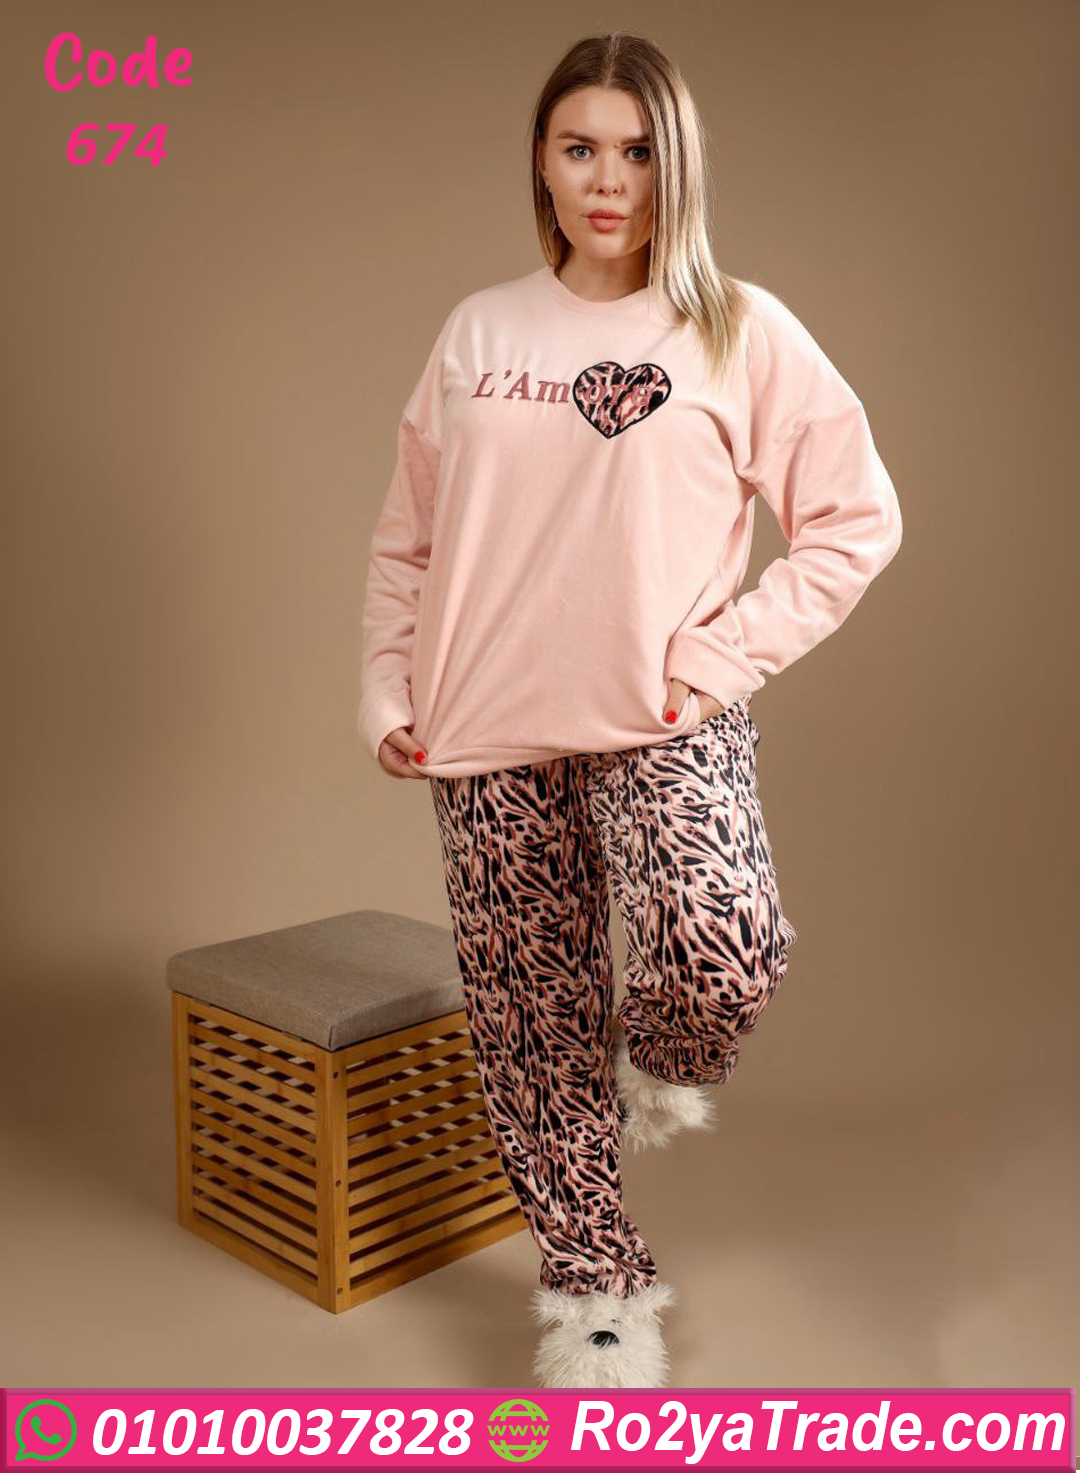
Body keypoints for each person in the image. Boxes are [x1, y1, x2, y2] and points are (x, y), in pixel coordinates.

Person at [357, 32, 902, 1389]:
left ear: (680, 164)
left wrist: (723, 656)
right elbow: (409, 540)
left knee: (724, 945)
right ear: (542, 164)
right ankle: (594, 1293)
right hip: (483, 727)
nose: (611, 182)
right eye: (581, 148)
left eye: (641, 151)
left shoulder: (737, 329)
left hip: (664, 719)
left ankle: (656, 1063)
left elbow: (855, 519)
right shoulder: (480, 332)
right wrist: (388, 689)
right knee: (531, 1025)